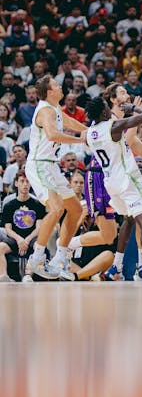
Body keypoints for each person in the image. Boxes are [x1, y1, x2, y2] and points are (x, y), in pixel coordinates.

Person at [76, 83, 142, 281]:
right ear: (108, 104)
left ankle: (116, 266)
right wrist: (133, 109)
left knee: (128, 219)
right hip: (124, 177)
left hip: (110, 180)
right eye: (122, 92)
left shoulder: (93, 131)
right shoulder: (113, 124)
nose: (126, 95)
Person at [24, 74, 87, 279]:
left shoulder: (55, 109)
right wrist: (81, 141)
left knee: (76, 209)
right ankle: (37, 257)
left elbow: (70, 122)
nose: (61, 87)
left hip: (52, 166)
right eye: (57, 85)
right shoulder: (44, 110)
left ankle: (60, 257)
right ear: (50, 92)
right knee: (57, 208)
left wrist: (93, 132)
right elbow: (52, 135)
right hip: (39, 165)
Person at [0, 168, 46, 282]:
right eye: (22, 181)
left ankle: (28, 275)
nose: (25, 184)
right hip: (15, 238)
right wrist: (19, 239)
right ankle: (3, 276)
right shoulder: (9, 205)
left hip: (31, 238)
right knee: (0, 247)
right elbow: (8, 229)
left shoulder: (38, 204)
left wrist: (27, 240)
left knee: (39, 247)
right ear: (16, 183)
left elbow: (39, 227)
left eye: (28, 181)